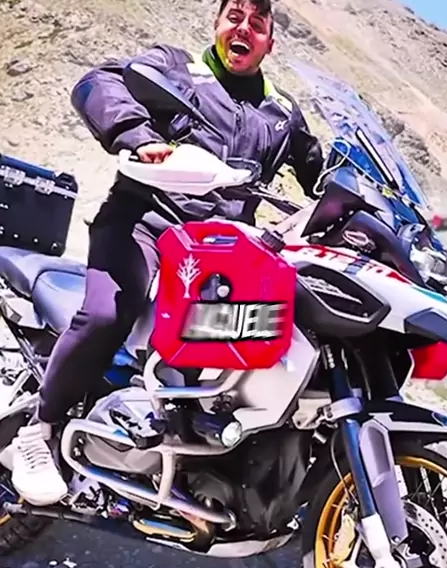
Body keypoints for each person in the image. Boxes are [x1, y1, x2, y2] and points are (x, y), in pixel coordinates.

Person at [9, 0, 324, 506]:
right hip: (146, 224)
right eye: (234, 16)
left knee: (267, 335)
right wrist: (138, 136)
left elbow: (320, 174)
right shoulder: (177, 69)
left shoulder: (281, 113)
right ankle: (40, 431)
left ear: (270, 40)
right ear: (218, 24)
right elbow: (98, 82)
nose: (243, 28)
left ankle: (207, 465)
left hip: (218, 252)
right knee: (109, 310)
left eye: (257, 23)